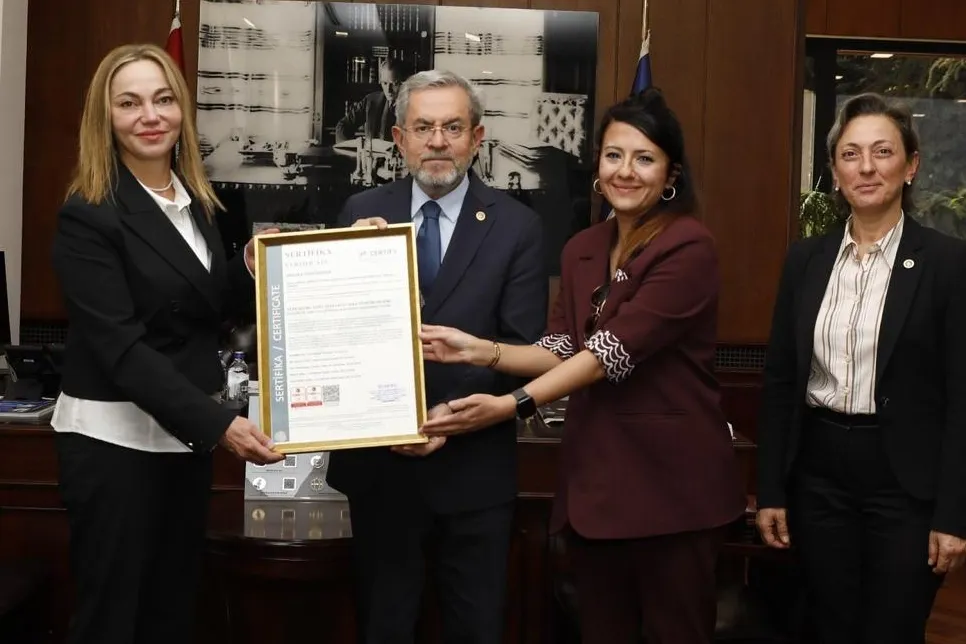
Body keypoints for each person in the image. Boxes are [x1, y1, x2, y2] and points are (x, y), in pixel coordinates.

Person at [418, 88, 745, 644]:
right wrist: (477, 348)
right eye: (614, 155)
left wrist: (509, 404)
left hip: (674, 491)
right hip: (597, 487)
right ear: (597, 164)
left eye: (644, 158)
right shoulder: (583, 248)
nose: (626, 171)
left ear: (671, 174)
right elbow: (563, 346)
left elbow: (608, 355)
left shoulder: (689, 247)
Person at [50, 43, 284, 644]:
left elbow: (200, 307)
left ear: (181, 108)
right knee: (113, 620)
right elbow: (121, 350)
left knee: (170, 612)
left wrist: (250, 267)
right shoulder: (90, 214)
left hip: (181, 441)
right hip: (115, 444)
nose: (149, 115)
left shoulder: (193, 201)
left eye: (162, 99)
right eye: (129, 103)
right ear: (105, 117)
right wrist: (220, 424)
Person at [325, 69, 547, 644]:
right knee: (384, 625)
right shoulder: (359, 212)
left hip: (473, 470)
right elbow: (337, 338)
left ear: (477, 137)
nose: (438, 141)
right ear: (399, 140)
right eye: (423, 127)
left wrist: (447, 420)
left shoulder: (517, 227)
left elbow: (524, 346)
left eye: (453, 127)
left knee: (476, 628)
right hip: (381, 470)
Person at [756, 92, 966, 644]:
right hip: (819, 475)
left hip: (905, 483)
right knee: (829, 624)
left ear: (911, 164)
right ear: (834, 170)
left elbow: (963, 395)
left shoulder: (948, 263)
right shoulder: (805, 259)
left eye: (882, 152)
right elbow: (780, 382)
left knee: (894, 628)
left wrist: (954, 514)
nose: (866, 167)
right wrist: (772, 490)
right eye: (851, 154)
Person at [335, 57, 408, 143]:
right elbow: (343, 126)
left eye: (394, 84)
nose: (388, 90)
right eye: (385, 83)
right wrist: (350, 148)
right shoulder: (371, 101)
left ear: (403, 82)